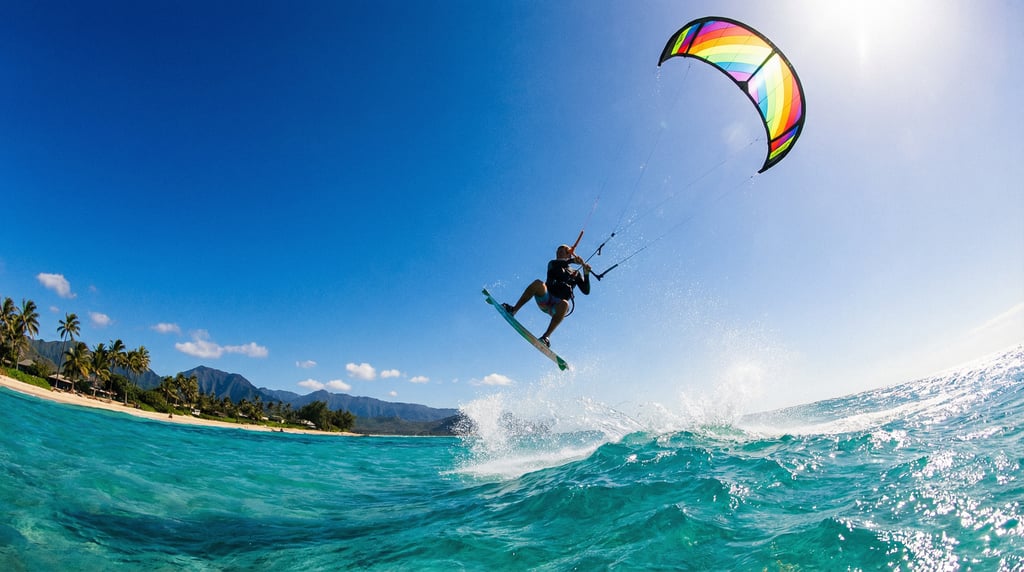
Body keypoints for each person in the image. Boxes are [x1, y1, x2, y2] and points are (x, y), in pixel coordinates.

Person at [503, 244, 592, 347]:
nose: (558, 254)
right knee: (538, 283)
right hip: (545, 298)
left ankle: (546, 337)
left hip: (557, 308)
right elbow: (560, 264)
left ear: (569, 254)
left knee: (565, 303)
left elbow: (586, 291)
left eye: (562, 252)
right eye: (557, 252)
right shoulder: (553, 264)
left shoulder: (576, 273)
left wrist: (586, 273)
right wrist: (572, 261)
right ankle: (513, 310)